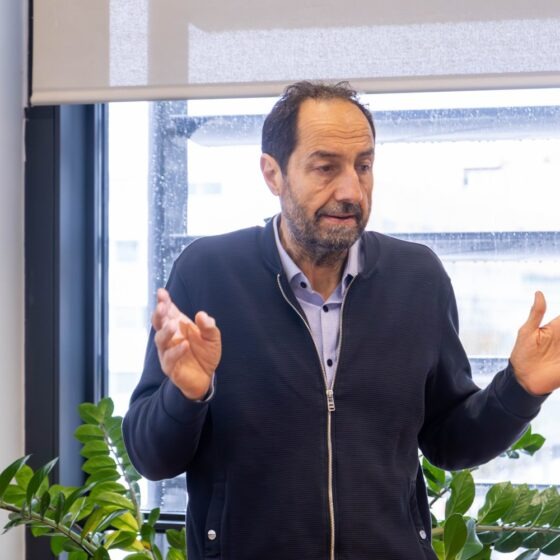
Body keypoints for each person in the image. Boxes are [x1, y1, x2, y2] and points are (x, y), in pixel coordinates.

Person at [123, 81, 560, 560]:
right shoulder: (207, 273)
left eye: (363, 166)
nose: (351, 190)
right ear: (273, 174)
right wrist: (186, 395)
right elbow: (151, 457)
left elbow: (449, 442)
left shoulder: (418, 279)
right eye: (325, 167)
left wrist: (521, 388)